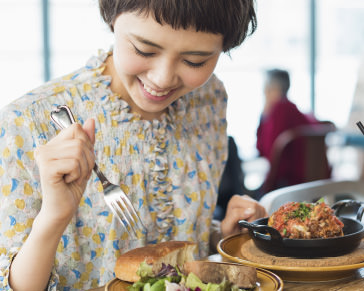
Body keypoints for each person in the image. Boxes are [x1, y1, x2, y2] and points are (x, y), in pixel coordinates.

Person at [0, 1, 267, 290]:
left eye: (195, 61)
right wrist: (53, 217)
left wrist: (222, 234)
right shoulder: (26, 122)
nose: (162, 79)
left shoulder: (208, 99)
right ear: (111, 18)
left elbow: (174, 233)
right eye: (144, 50)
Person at [256, 69, 319, 197]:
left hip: (286, 183)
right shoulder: (294, 110)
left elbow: (265, 150)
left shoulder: (278, 111)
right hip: (309, 180)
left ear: (272, 89)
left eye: (266, 88)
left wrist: (263, 116)